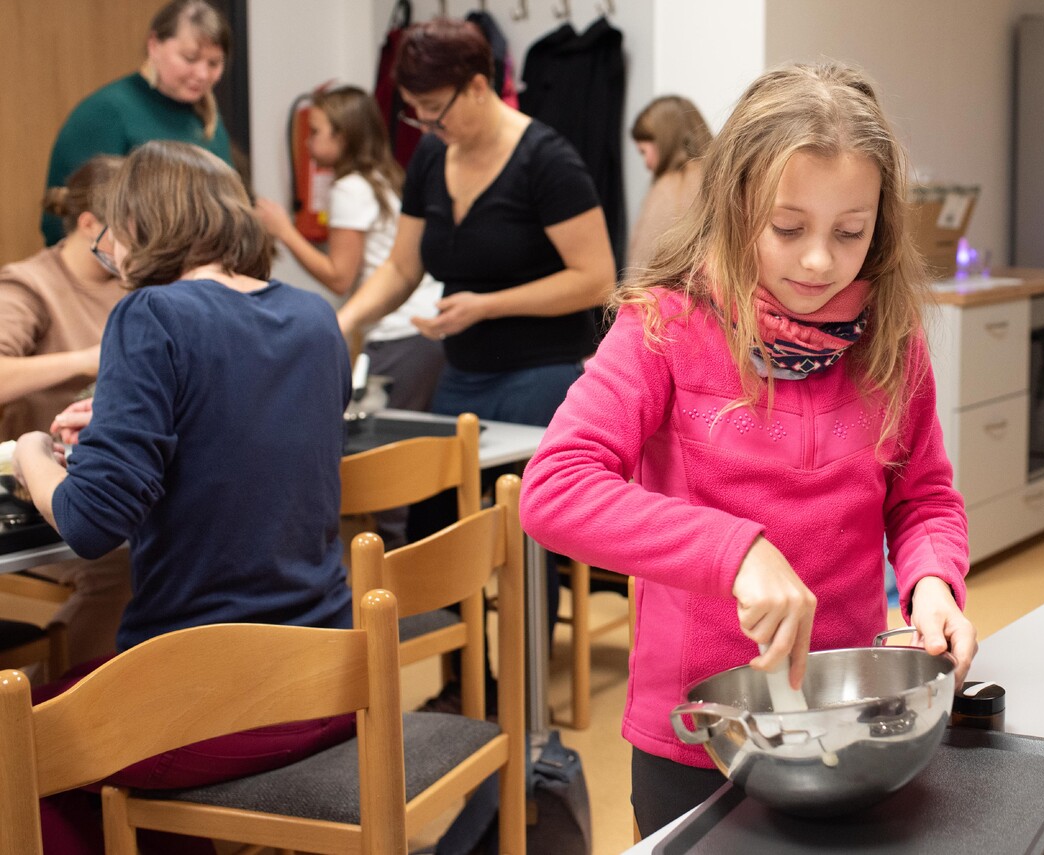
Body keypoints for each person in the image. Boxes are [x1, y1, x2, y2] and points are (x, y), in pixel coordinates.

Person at [518, 62, 978, 836]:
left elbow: (923, 497)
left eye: (850, 232)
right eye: (788, 228)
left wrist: (932, 584)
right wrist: (735, 551)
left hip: (850, 718)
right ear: (736, 208)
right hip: (700, 737)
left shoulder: (891, 340)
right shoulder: (663, 327)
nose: (819, 261)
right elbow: (555, 489)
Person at [12, 140, 355, 855]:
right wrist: (119, 422)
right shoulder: (315, 316)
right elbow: (242, 434)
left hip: (209, 699)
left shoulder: (151, 314)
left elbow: (90, 522)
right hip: (328, 678)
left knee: (18, 740)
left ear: (140, 225)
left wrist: (31, 454)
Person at [335, 17, 615, 429]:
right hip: (461, 373)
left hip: (541, 376)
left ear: (478, 87)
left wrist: (485, 306)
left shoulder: (548, 161)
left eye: (434, 108)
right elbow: (401, 268)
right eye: (414, 109)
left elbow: (596, 279)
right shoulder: (431, 155)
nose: (425, 122)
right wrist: (342, 322)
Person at [0, 155, 133, 672]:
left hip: (116, 478)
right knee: (119, 567)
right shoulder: (29, 285)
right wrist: (84, 360)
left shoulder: (135, 282)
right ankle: (54, 700)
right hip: (38, 492)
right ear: (90, 224)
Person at [255, 85, 445, 425]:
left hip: (397, 332)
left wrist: (284, 231)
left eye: (315, 132)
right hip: (426, 328)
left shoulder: (349, 188)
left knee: (383, 441)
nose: (307, 142)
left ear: (343, 136)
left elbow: (339, 277)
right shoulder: (385, 177)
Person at [40, 0, 233, 246]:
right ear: (154, 45)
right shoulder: (106, 112)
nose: (203, 74)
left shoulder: (206, 117)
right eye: (190, 58)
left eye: (214, 63)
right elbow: (65, 223)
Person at [626, 95, 712, 277]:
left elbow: (641, 267)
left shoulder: (669, 189)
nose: (646, 164)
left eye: (643, 152)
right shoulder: (718, 177)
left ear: (664, 141)